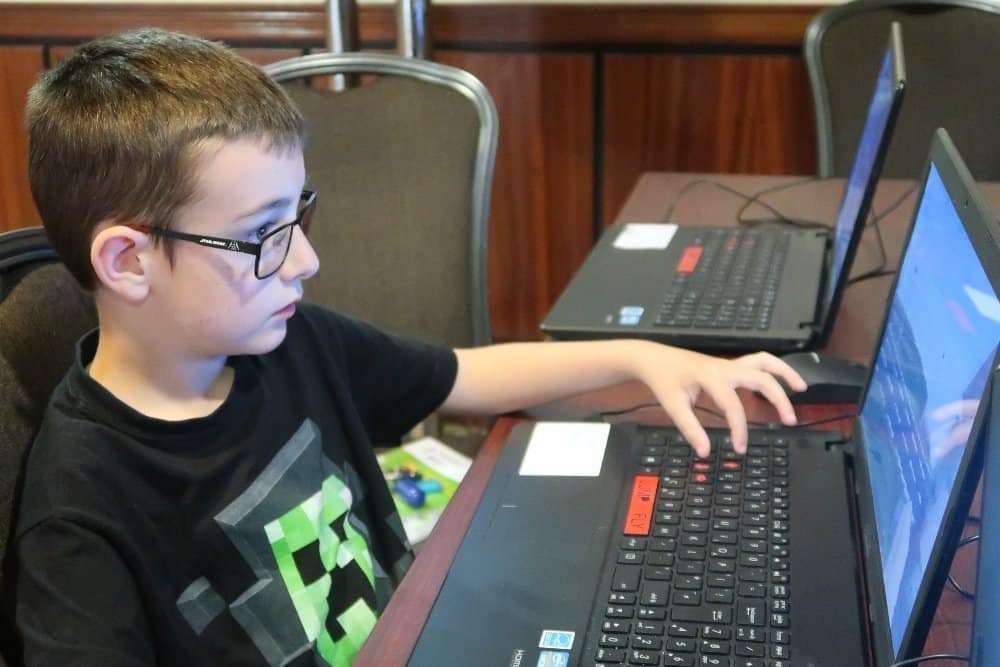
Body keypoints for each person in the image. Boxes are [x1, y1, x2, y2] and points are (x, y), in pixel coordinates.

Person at [9, 28, 806, 666]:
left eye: (299, 217)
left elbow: (463, 374)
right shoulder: (76, 518)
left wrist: (637, 355)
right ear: (128, 260)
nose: (307, 261)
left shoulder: (291, 342)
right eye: (264, 235)